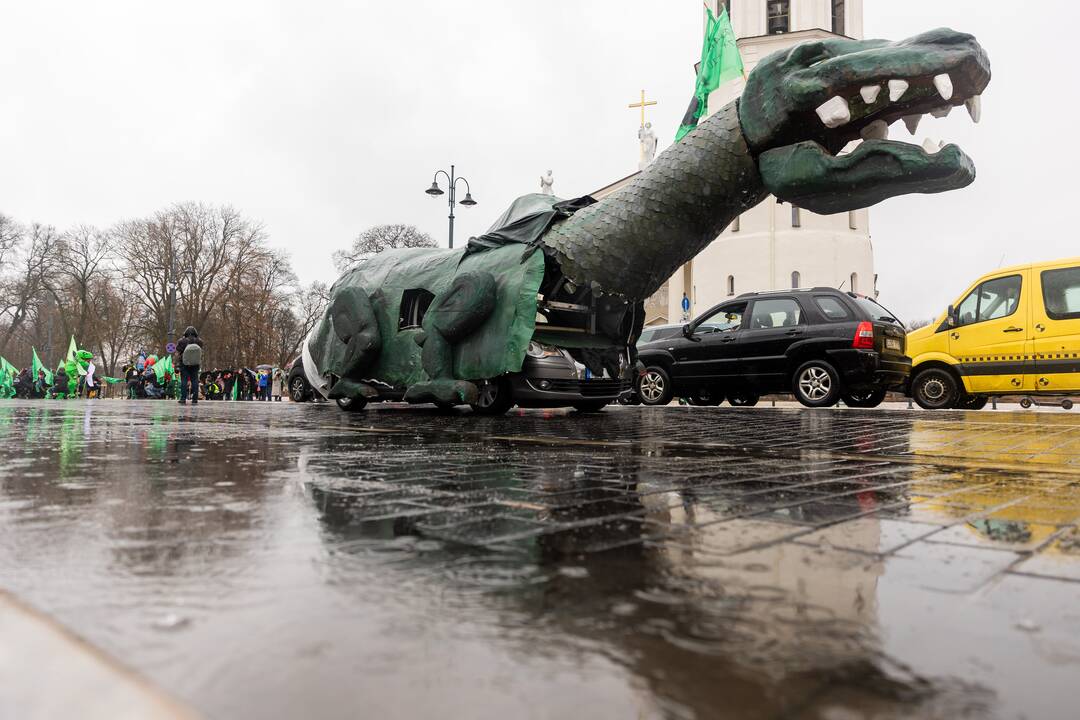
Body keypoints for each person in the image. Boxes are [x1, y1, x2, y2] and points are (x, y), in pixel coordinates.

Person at [176, 326, 203, 405]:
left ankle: (183, 398)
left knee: (184, 380)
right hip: (195, 363)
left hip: (184, 363)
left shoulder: (181, 341)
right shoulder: (199, 341)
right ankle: (195, 399)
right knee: (194, 380)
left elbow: (178, 350)